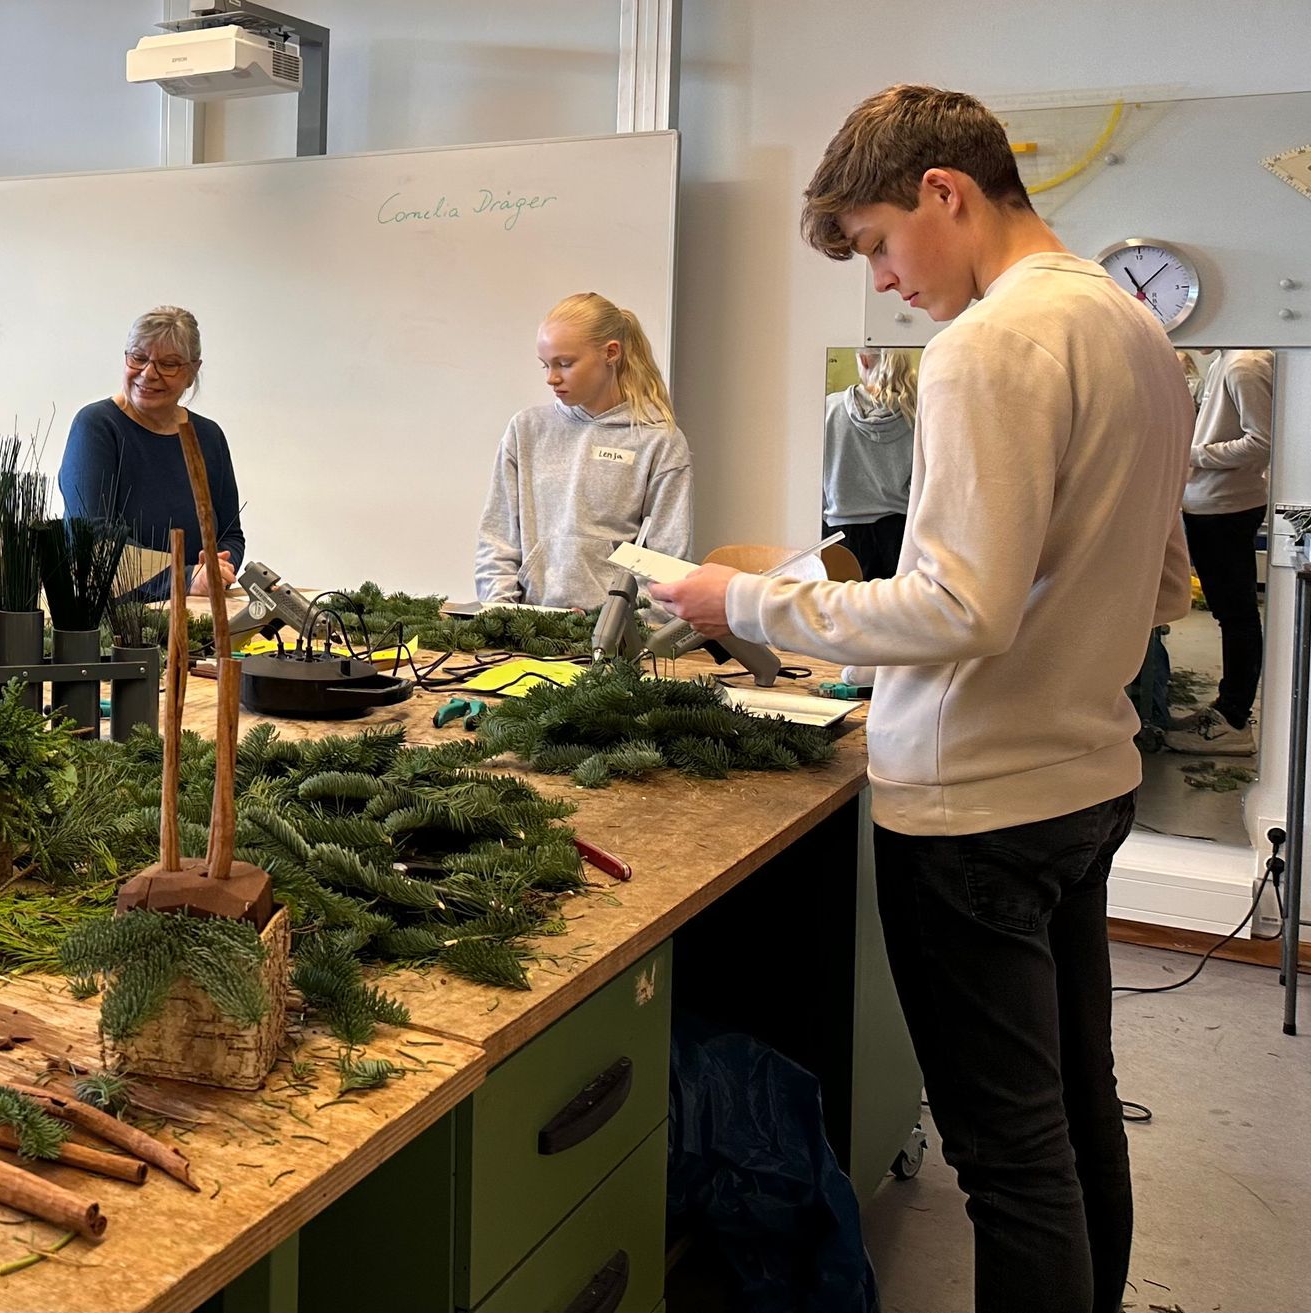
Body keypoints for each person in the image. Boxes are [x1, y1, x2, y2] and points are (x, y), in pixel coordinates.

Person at [655, 86, 1192, 1313]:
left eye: (879, 244)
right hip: (1087, 783)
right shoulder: (1133, 328)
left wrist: (745, 601)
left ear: (945, 191)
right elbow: (1164, 581)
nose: (887, 281)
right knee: (1074, 1115)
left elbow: (961, 608)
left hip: (975, 808)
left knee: (1009, 1160)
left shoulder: (988, 343)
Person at [474, 292, 693, 610]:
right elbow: (497, 540)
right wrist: (503, 614)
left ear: (611, 353)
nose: (551, 378)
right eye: (545, 365)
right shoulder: (526, 430)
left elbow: (667, 561)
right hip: (526, 626)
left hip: (614, 633)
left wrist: (618, 624)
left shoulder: (658, 441)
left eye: (565, 364)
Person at [57, 307, 243, 600]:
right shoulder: (96, 426)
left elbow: (230, 534)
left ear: (192, 372)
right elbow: (94, 539)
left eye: (168, 364)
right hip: (116, 615)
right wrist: (184, 578)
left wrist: (218, 568)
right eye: (138, 358)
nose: (148, 374)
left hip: (195, 608)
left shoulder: (209, 436)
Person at [1164, 349, 1273, 755]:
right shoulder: (1227, 361)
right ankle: (1228, 710)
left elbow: (1260, 443)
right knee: (1232, 614)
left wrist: (1191, 454)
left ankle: (1233, 720)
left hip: (1226, 506)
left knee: (1237, 616)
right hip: (1211, 503)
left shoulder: (1246, 365)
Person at [822, 348, 916, 580]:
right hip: (899, 537)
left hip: (840, 539)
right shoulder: (916, 412)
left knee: (840, 602)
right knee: (893, 604)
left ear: (863, 359)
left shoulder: (828, 409)